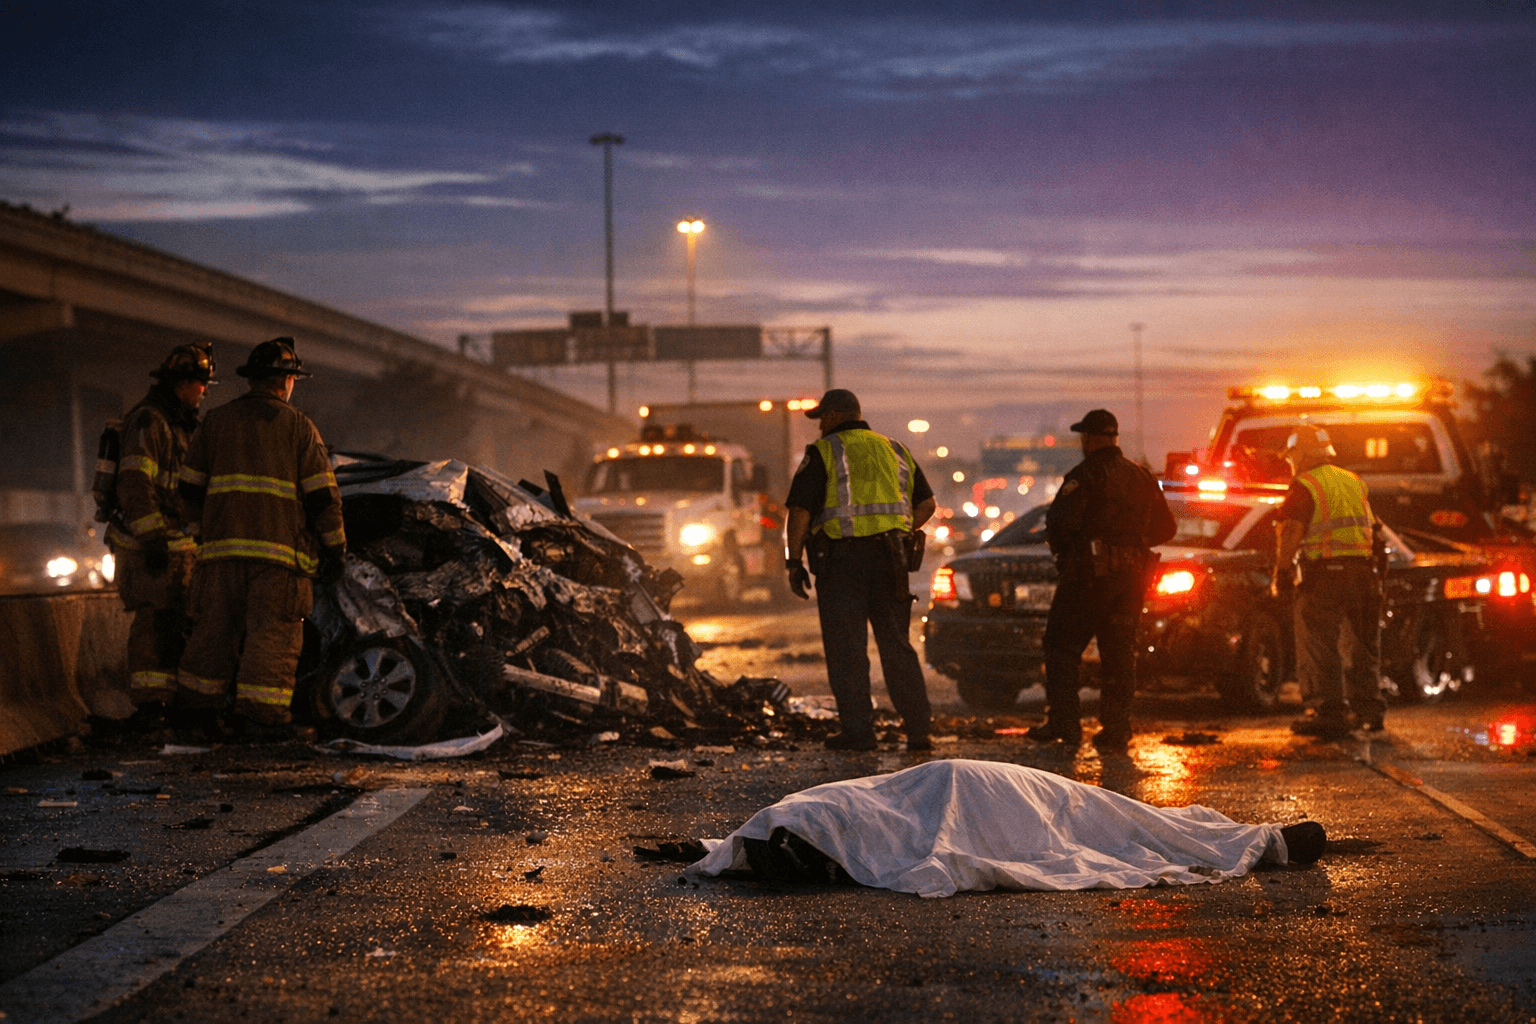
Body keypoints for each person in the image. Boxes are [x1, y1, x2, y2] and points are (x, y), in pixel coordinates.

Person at [692, 759, 1327, 897]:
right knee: (1103, 825)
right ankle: (1270, 840)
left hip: (974, 783)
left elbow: (891, 815)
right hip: (970, 788)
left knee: (1109, 822)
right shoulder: (812, 821)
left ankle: (1267, 840)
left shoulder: (809, 816)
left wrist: (715, 848)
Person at [175, 337, 346, 737]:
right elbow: (323, 497)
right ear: (287, 380)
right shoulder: (299, 428)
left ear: (252, 380)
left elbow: (188, 492)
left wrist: (204, 532)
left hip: (219, 557)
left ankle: (197, 717)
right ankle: (260, 718)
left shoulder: (214, 423)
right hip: (278, 561)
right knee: (272, 638)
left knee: (211, 634)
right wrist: (335, 547)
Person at [784, 388, 936, 752]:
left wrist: (794, 561)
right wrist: (900, 532)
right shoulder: (895, 449)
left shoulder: (824, 453)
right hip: (891, 561)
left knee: (847, 649)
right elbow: (927, 504)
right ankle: (918, 733)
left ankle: (858, 733)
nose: (820, 424)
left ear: (836, 415)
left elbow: (801, 511)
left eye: (822, 417)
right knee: (897, 646)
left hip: (842, 564)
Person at [1033, 409, 1176, 754]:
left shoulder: (1086, 475)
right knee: (1120, 654)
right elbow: (1166, 529)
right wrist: (1131, 545)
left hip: (1088, 579)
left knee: (1061, 647)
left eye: (1084, 437)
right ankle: (1116, 730)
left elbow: (1060, 524)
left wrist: (1072, 557)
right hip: (1130, 582)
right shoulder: (1142, 477)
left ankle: (1065, 726)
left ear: (1090, 438)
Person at [108, 343, 216, 713]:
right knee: (152, 624)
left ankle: (166, 702)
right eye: (201, 384)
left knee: (172, 625)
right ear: (183, 382)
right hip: (147, 548)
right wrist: (152, 537)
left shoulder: (179, 424)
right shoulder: (149, 421)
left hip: (175, 545)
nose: (204, 392)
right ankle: (149, 705)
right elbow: (134, 483)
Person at [1271, 424, 1385, 738]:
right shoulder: (1353, 482)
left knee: (1319, 645)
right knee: (1362, 645)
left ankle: (1329, 712)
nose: (1290, 462)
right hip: (1363, 575)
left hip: (1324, 578)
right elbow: (1374, 531)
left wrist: (1281, 574)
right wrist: (1378, 575)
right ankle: (1369, 710)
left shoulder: (1304, 484)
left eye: (1292, 456)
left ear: (1302, 454)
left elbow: (1292, 530)